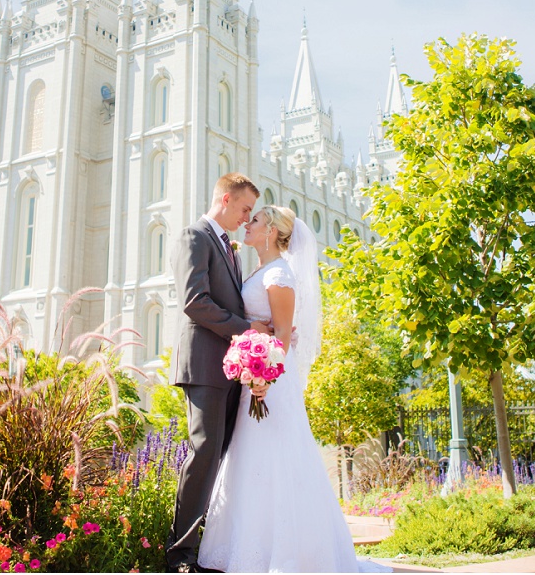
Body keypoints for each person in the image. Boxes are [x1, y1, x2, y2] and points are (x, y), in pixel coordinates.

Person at [197, 206, 389, 573]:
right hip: (258, 378)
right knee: (252, 458)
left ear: (270, 230)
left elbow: (283, 334)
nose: (246, 224)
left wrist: (264, 377)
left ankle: (286, 553)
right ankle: (251, 546)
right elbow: (264, 324)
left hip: (270, 383)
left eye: (254, 220)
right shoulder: (259, 268)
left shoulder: (280, 274)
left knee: (277, 457)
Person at [166, 173, 270, 573]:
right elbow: (195, 302)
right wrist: (247, 329)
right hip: (205, 364)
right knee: (204, 450)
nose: (247, 218)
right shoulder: (194, 237)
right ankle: (180, 554)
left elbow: (235, 306)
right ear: (225, 200)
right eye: (245, 209)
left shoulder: (232, 250)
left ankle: (208, 549)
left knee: (221, 455)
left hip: (231, 369)